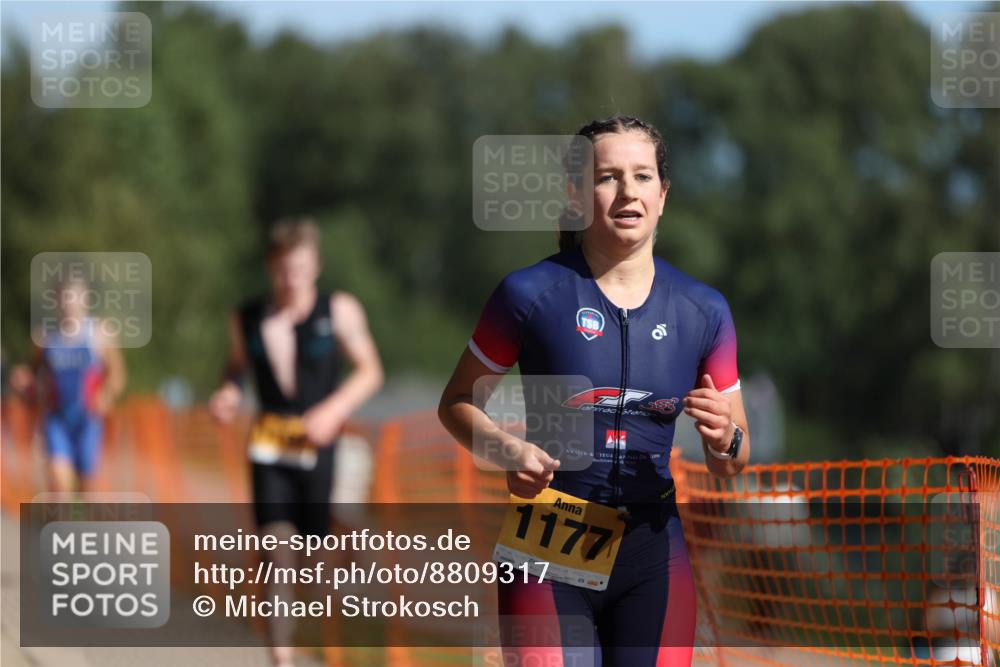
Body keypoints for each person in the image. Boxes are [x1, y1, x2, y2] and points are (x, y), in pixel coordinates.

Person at [439, 115, 750, 666]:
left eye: (643, 176)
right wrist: (506, 450)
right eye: (608, 177)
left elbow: (732, 459)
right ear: (577, 194)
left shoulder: (704, 311)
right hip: (551, 533)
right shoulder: (529, 294)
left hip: (653, 548)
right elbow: (457, 403)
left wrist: (726, 436)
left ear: (663, 193)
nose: (628, 191)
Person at [209, 217, 384, 667]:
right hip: (269, 447)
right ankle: (280, 658)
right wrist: (228, 392)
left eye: (301, 268)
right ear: (271, 267)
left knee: (311, 562)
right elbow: (234, 367)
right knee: (275, 549)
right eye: (284, 269)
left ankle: (349, 544)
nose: (293, 279)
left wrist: (333, 410)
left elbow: (370, 370)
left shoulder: (338, 310)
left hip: (321, 444)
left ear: (317, 266)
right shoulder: (246, 317)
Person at [9, 277, 127, 494]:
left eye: (74, 297)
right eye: (64, 297)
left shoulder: (101, 333)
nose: (69, 303)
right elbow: (33, 377)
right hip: (57, 420)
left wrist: (106, 395)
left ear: (86, 300)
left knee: (86, 490)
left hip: (88, 420)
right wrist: (22, 385)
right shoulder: (44, 338)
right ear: (56, 301)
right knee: (60, 486)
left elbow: (118, 376)